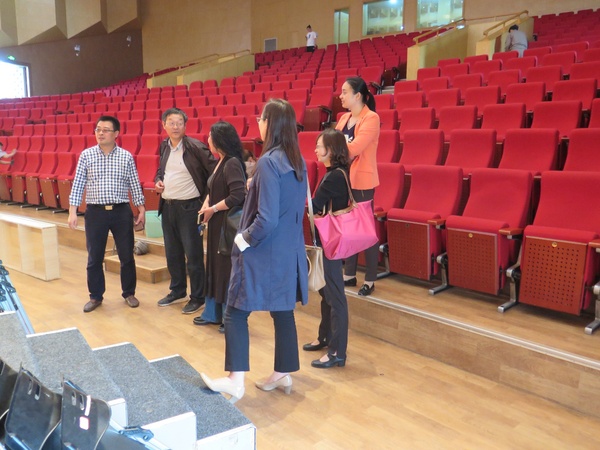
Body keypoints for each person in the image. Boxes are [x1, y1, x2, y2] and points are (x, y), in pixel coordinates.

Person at [200, 99, 308, 403]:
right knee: (283, 311)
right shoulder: (296, 160)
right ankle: (283, 372)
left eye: (261, 118)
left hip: (262, 250)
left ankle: (235, 380)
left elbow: (267, 218)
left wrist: (242, 239)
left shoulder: (269, 162)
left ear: (270, 123)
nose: (258, 122)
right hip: (287, 250)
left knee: (235, 312)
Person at [68, 115, 145, 313]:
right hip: (95, 212)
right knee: (94, 256)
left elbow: (134, 184)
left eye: (105, 130)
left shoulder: (126, 156)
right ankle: (95, 296)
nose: (100, 133)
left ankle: (129, 293)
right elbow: (78, 184)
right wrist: (72, 211)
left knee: (126, 255)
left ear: (116, 133)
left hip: (121, 211)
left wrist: (141, 208)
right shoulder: (86, 155)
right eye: (98, 129)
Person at [155, 107, 217, 314]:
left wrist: (207, 199)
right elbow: (161, 170)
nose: (175, 127)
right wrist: (158, 180)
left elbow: (215, 172)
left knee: (193, 255)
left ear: (185, 126)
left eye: (179, 123)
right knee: (172, 253)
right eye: (171, 123)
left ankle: (198, 296)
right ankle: (178, 290)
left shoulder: (195, 147)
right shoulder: (164, 146)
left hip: (190, 208)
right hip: (168, 206)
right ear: (164, 125)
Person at [303, 129, 350, 369]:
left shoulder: (334, 177)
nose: (316, 150)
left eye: (319, 146)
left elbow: (315, 205)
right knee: (326, 292)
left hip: (331, 242)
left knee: (335, 295)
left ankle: (337, 351)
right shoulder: (333, 173)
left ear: (331, 149)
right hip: (327, 241)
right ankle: (325, 336)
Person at [193, 121, 247, 332]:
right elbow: (214, 189)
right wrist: (207, 204)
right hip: (217, 223)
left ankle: (228, 317)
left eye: (210, 136)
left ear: (219, 140)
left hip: (227, 225)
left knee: (225, 270)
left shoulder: (232, 163)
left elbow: (237, 195)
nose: (208, 140)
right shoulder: (221, 161)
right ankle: (213, 313)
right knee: (216, 267)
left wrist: (213, 209)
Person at [336, 76, 380, 296]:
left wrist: (337, 147)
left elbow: (353, 149)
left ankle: (370, 279)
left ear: (358, 95)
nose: (340, 96)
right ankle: (349, 274)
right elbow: (332, 145)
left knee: (365, 230)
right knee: (349, 228)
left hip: (362, 181)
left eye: (345, 92)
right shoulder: (344, 118)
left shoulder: (371, 118)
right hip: (344, 180)